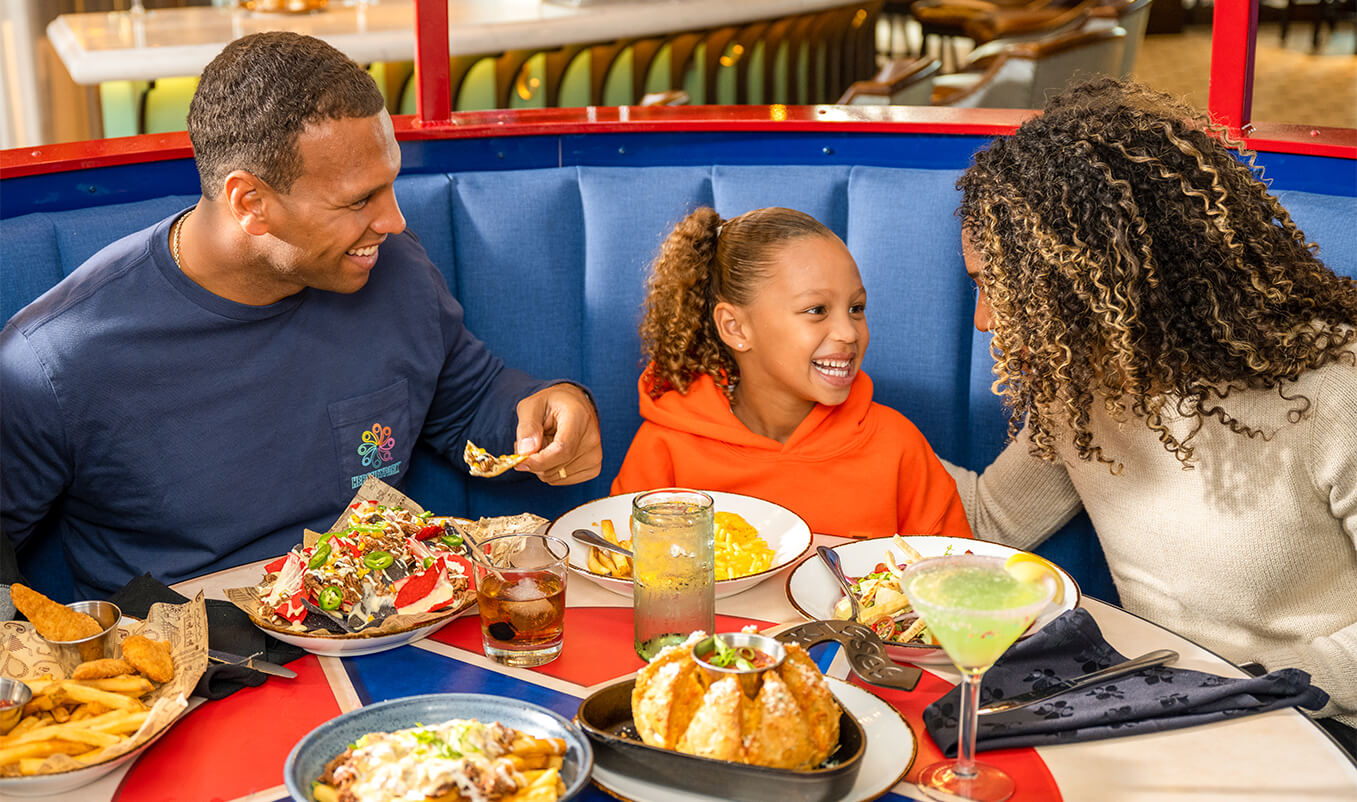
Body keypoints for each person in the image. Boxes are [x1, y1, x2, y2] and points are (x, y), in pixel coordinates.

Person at [0, 33, 601, 599]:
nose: (393, 220)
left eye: (390, 185)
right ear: (251, 203)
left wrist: (552, 407)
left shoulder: (392, 268)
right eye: (359, 199)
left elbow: (468, 401)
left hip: (394, 627)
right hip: (201, 677)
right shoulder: (53, 362)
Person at [944, 78, 1357, 745]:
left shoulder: (1335, 387)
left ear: (1085, 283)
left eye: (1000, 289)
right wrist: (782, 423)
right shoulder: (1078, 381)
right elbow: (988, 519)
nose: (986, 321)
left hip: (1314, 721)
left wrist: (1234, 683)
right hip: (1163, 709)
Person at [612, 206, 971, 540]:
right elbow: (623, 580)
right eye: (817, 309)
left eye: (856, 308)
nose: (848, 332)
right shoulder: (663, 450)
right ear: (735, 328)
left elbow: (956, 582)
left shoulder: (898, 446)